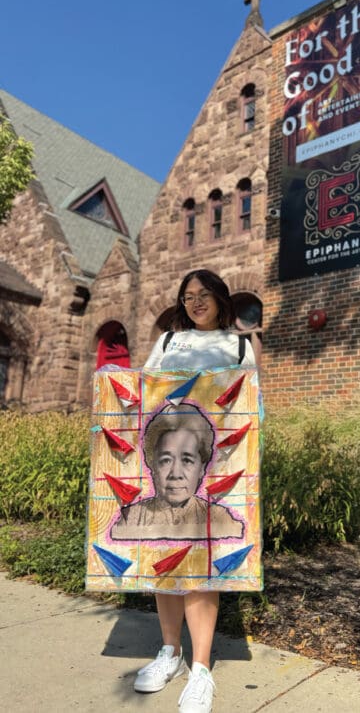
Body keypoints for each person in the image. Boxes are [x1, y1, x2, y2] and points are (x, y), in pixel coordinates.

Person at [132, 269, 256, 713]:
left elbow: (250, 408)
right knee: (165, 554)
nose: (195, 302)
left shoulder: (240, 344)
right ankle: (170, 652)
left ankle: (200, 669)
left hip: (217, 464)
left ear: (221, 299)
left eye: (203, 295)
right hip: (166, 462)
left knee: (203, 559)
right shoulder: (167, 342)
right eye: (187, 297)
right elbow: (141, 394)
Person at [110, 402, 244, 541]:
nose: (176, 474)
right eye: (166, 460)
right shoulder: (131, 518)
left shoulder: (220, 518)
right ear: (152, 465)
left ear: (202, 469)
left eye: (187, 460)